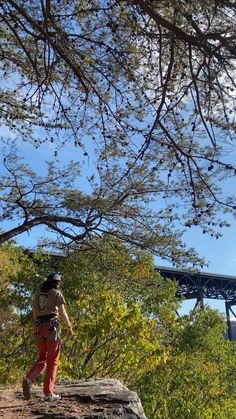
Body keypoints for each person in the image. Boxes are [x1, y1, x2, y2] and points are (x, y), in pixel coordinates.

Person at [22, 273, 73, 402]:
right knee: (53, 359)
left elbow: (34, 313)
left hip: (38, 327)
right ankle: (48, 393)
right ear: (57, 282)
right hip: (52, 327)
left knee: (43, 357)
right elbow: (62, 312)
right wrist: (69, 326)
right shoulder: (56, 293)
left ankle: (29, 379)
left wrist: (40, 324)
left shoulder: (38, 295)